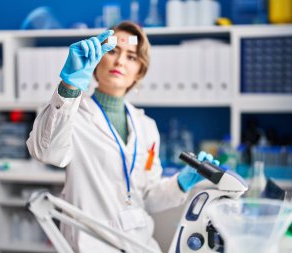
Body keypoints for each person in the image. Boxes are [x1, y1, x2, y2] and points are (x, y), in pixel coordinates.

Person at [26, 21, 218, 252]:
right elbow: (45, 152)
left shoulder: (146, 126)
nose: (119, 61)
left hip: (139, 243)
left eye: (131, 57)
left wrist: (180, 183)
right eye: (113, 51)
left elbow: (147, 197)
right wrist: (69, 86)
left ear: (140, 71)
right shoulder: (72, 111)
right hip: (90, 244)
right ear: (98, 59)